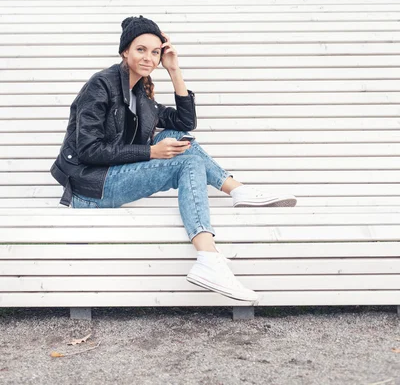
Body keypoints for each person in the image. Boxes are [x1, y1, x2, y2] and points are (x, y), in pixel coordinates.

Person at [50, 15, 297, 305]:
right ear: (124, 52)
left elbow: (185, 121)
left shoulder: (140, 95)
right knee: (186, 162)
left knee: (177, 134)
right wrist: (151, 152)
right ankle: (207, 256)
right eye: (141, 49)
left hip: (113, 175)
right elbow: (88, 151)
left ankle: (237, 191)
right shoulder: (101, 84)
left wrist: (174, 70)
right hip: (89, 187)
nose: (148, 57)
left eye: (155, 52)